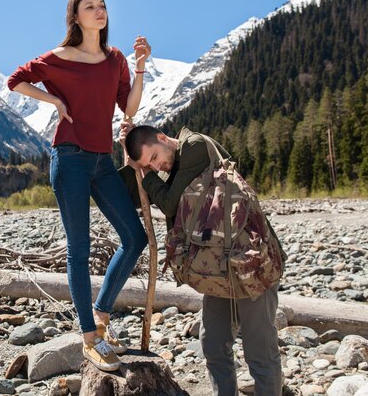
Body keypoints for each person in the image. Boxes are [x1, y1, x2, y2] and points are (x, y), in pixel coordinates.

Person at [7, 0, 151, 372]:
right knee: (80, 250)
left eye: (102, 6)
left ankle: (102, 315)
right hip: (69, 159)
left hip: (103, 161)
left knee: (135, 238)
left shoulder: (115, 58)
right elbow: (15, 81)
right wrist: (53, 101)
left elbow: (129, 108)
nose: (100, 11)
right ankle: (90, 339)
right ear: (75, 17)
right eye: (90, 7)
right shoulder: (57, 58)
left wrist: (139, 67)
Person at [119, 124, 283, 396]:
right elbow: (140, 197)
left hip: (249, 262)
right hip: (216, 266)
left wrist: (147, 172)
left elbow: (169, 203)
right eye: (151, 163)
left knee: (260, 353)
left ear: (163, 138)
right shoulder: (174, 166)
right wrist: (132, 164)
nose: (158, 164)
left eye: (155, 157)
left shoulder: (194, 146)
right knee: (213, 344)